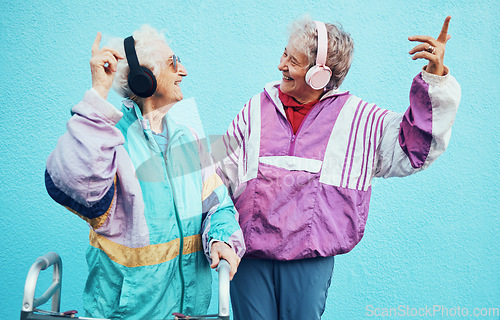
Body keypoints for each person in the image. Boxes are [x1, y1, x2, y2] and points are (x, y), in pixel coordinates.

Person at [215, 15, 460, 320]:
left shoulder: (358, 119)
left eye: (293, 61)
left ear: (319, 74)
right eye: (284, 54)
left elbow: (414, 148)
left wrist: (433, 80)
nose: (281, 66)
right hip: (249, 260)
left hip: (310, 262)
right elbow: (217, 172)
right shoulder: (254, 108)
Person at [45, 25, 245, 319]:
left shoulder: (189, 139)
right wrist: (98, 94)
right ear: (144, 77)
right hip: (129, 313)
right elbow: (75, 181)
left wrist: (222, 240)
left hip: (187, 312)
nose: (184, 71)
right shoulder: (111, 143)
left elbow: (218, 206)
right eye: (174, 62)